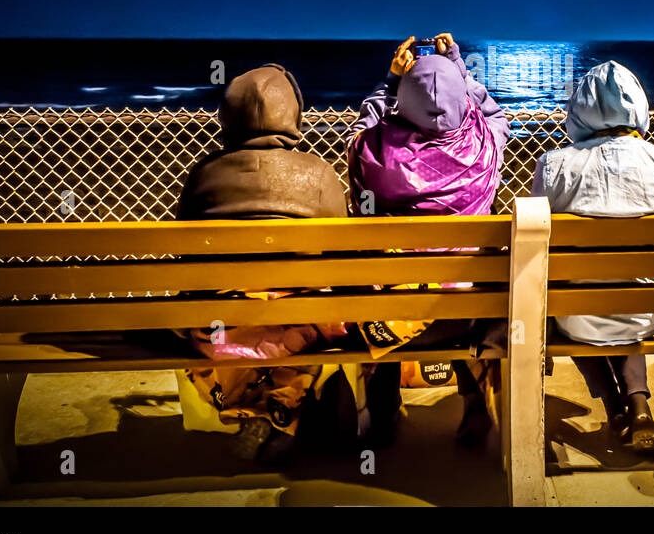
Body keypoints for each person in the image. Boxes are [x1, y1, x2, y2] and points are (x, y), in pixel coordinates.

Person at [175, 63, 362, 464]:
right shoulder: (320, 175)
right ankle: (282, 409)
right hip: (302, 324)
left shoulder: (202, 176)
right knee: (314, 320)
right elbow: (343, 257)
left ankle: (256, 411)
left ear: (228, 115)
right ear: (291, 115)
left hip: (219, 332)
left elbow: (185, 259)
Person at [531, 60, 654, 451]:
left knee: (573, 305)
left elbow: (535, 252)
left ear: (579, 110)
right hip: (646, 315)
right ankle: (638, 403)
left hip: (576, 318)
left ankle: (615, 406)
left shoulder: (552, 164)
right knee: (626, 298)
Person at [346, 32, 511, 444]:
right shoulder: (486, 147)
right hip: (467, 312)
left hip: (393, 313)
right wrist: (458, 69)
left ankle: (383, 413)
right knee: (456, 281)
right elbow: (495, 114)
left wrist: (389, 83)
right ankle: (474, 405)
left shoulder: (377, 153)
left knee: (390, 281)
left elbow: (361, 132)